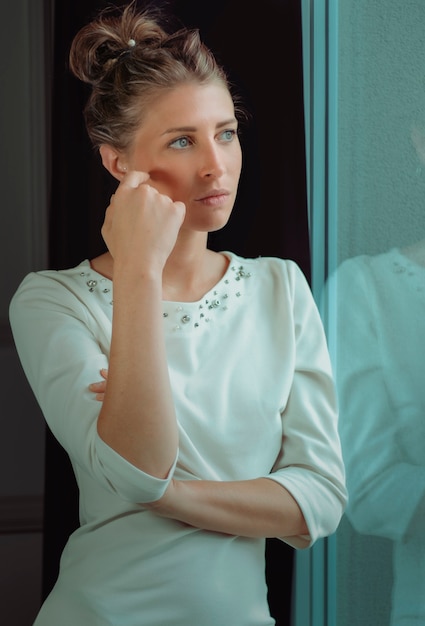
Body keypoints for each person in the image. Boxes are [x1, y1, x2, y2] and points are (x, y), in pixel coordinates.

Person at [9, 2, 347, 624]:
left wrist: (162, 495)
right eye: (182, 141)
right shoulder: (52, 301)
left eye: (226, 132)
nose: (216, 163)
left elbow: (319, 501)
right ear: (118, 164)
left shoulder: (280, 288)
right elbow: (140, 463)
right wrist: (138, 271)